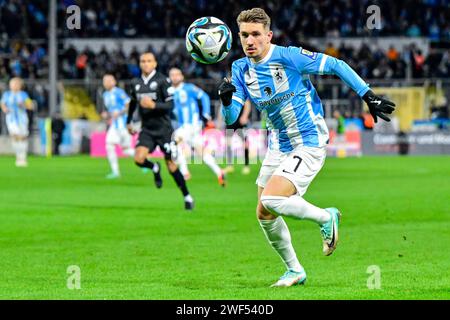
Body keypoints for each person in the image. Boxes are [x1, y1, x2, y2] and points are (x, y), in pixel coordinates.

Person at [218, 8, 395, 287]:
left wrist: (368, 95)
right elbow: (232, 121)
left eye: (255, 34)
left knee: (271, 200)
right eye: (244, 35)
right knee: (264, 213)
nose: (249, 40)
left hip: (308, 140)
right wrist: (227, 101)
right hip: (278, 144)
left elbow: (336, 65)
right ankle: (295, 270)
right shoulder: (240, 69)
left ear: (268, 35)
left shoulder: (289, 57)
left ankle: (327, 217)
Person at [127, 53, 194, 210]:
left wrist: (154, 106)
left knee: (171, 165)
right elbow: (132, 103)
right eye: (142, 61)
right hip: (147, 130)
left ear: (155, 63)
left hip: (164, 130)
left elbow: (170, 106)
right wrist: (128, 121)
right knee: (138, 159)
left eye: (149, 61)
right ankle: (154, 168)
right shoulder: (135, 82)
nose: (145, 64)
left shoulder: (162, 80)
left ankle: (187, 196)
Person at [169, 67, 225, 186]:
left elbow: (204, 96)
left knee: (175, 140)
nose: (174, 77)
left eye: (177, 74)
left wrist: (206, 114)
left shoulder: (188, 88)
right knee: (202, 152)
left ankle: (184, 172)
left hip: (192, 124)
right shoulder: (169, 91)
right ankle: (219, 172)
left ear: (182, 76)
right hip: (185, 126)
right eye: (172, 75)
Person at [101, 74, 136, 179]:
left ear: (114, 82)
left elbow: (128, 105)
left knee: (126, 150)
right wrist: (107, 115)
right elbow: (111, 110)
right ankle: (115, 172)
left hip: (124, 123)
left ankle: (144, 159)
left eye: (108, 80)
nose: (106, 83)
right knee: (109, 145)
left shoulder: (119, 92)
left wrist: (119, 113)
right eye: (104, 81)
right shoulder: (105, 95)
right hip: (115, 125)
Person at [0, 77, 34, 167]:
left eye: (16, 84)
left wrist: (23, 104)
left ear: (20, 86)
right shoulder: (7, 94)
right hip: (11, 119)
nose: (14, 86)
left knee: (22, 138)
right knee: (15, 136)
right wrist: (5, 109)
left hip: (22, 119)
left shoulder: (24, 95)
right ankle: (18, 157)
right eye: (12, 84)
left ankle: (22, 157)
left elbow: (30, 105)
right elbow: (2, 103)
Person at [224, 99, 251, 175]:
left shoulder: (240, 90)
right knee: (228, 142)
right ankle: (230, 166)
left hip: (240, 121)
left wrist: (245, 116)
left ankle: (246, 165)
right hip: (230, 120)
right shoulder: (228, 91)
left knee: (245, 143)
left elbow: (247, 104)